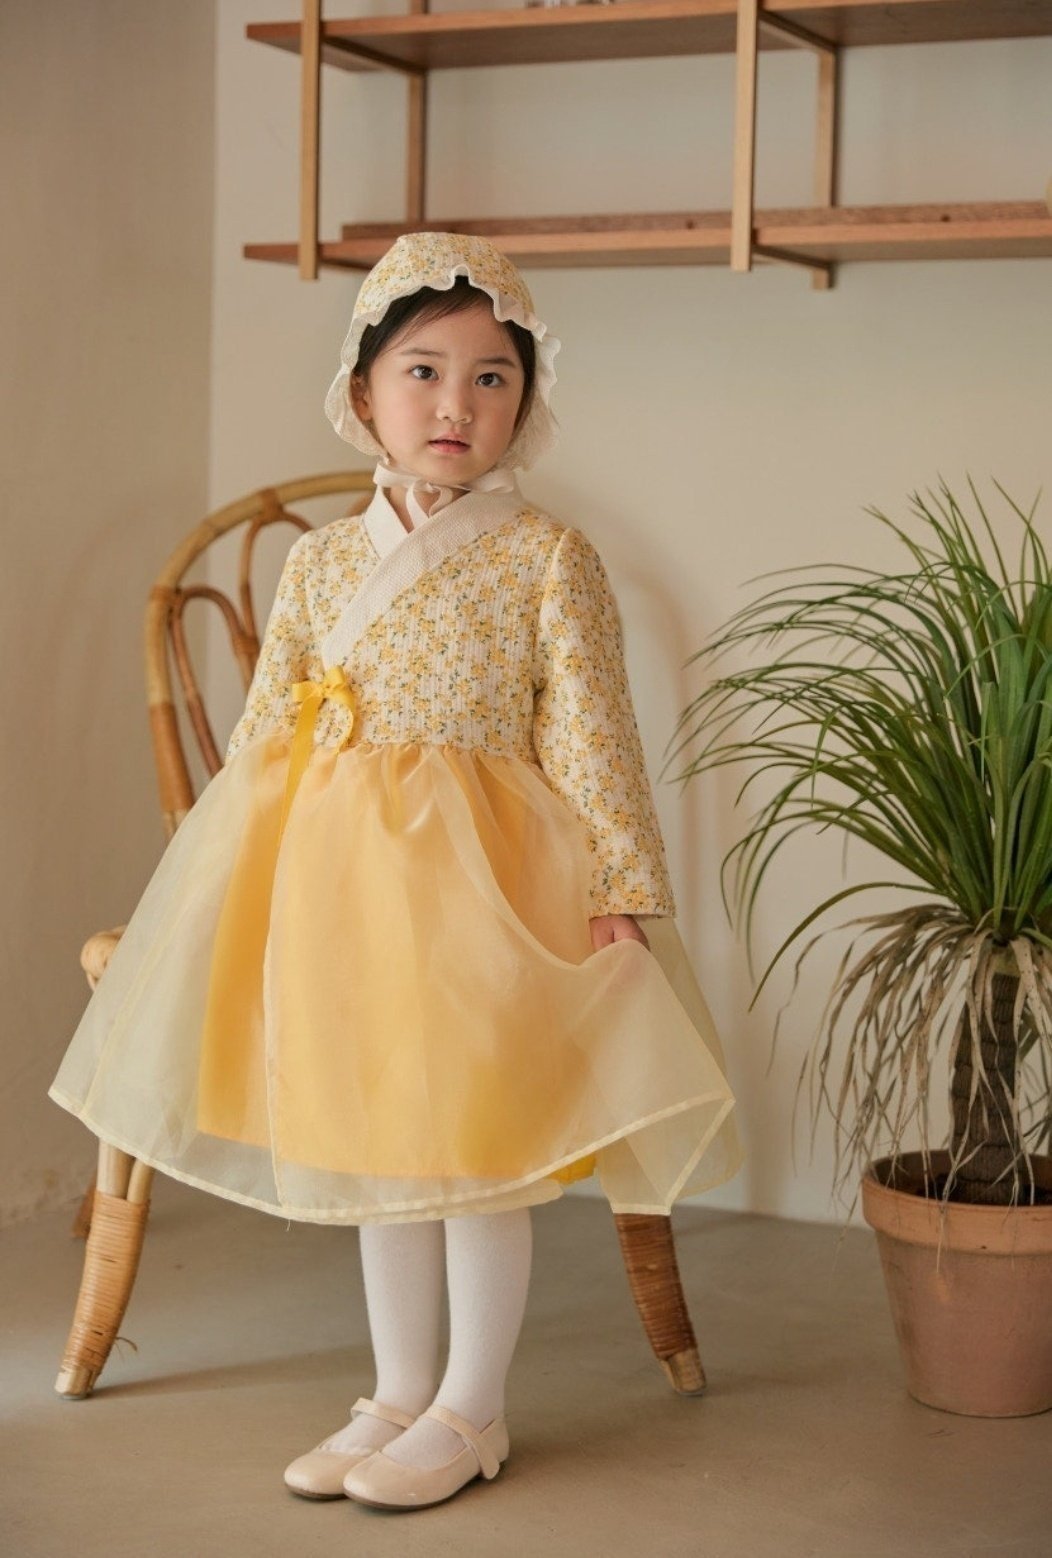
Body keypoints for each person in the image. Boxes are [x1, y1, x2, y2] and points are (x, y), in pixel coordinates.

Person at [50, 232, 740, 1512]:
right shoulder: (319, 560)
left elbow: (594, 736)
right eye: (421, 370)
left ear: (524, 401)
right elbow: (267, 733)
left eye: (491, 377)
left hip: (486, 892)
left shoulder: (546, 555)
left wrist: (617, 895)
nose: (454, 403)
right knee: (379, 1143)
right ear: (363, 392)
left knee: (470, 1148)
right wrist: (229, 882)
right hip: (341, 891)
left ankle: (472, 1406)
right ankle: (397, 1386)